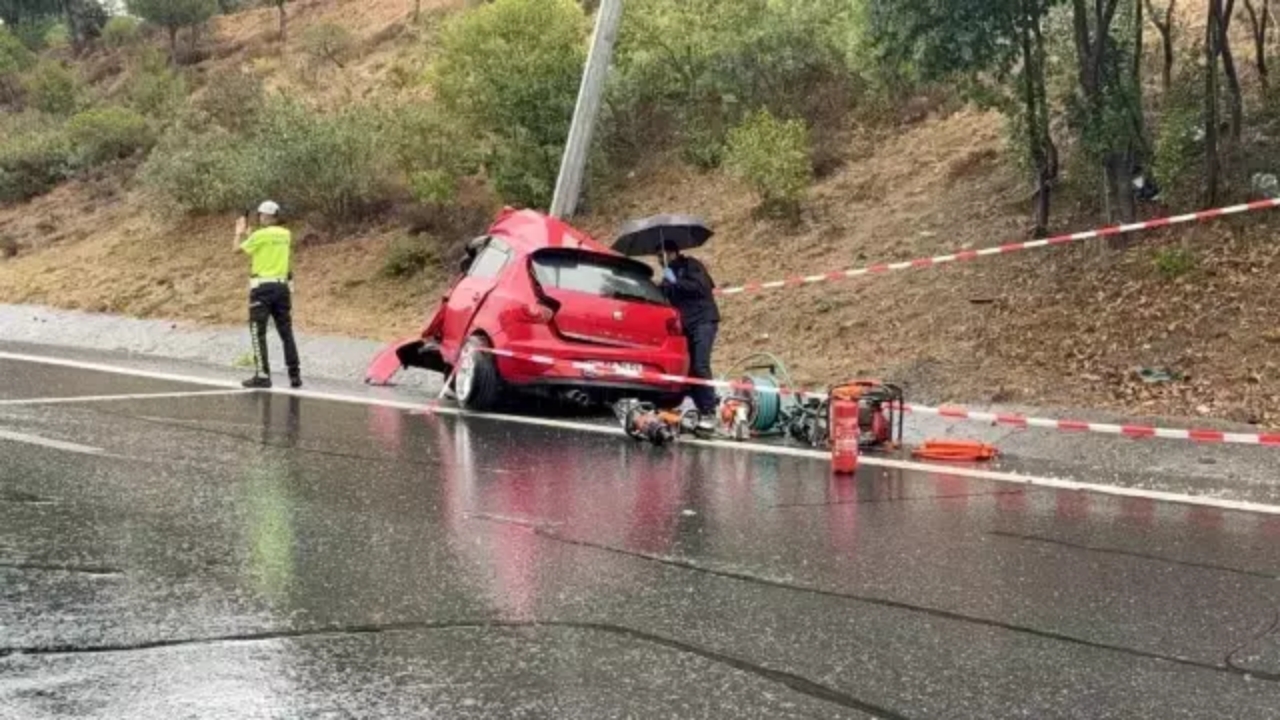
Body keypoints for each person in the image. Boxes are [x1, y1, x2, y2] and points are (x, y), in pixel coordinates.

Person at [235, 200, 302, 390]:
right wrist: (251, 236)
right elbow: (264, 246)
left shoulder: (259, 235)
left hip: (262, 289)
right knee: (286, 331)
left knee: (258, 332)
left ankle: (263, 375)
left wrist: (239, 233)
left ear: (265, 216)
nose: (259, 218)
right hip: (282, 288)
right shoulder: (286, 234)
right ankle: (294, 374)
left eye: (260, 215)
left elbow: (236, 250)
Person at [659, 238, 719, 432]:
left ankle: (710, 411)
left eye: (663, 256)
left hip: (703, 321)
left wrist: (676, 282)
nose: (660, 260)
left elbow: (702, 287)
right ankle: (699, 409)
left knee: (701, 365)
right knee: (689, 369)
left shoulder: (691, 265)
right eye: (658, 257)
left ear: (672, 253)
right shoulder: (667, 277)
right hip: (685, 326)